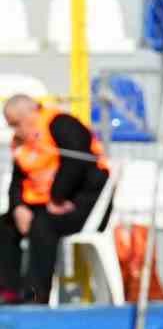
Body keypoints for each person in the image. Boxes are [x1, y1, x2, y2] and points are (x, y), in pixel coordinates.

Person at [1, 94, 108, 305]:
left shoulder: (62, 124)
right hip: (44, 204)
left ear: (30, 114)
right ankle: (8, 291)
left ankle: (35, 297)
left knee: (43, 225)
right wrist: (19, 207)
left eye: (15, 124)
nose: (14, 130)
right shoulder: (22, 144)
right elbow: (17, 181)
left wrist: (58, 197)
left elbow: (77, 163)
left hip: (79, 203)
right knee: (4, 226)